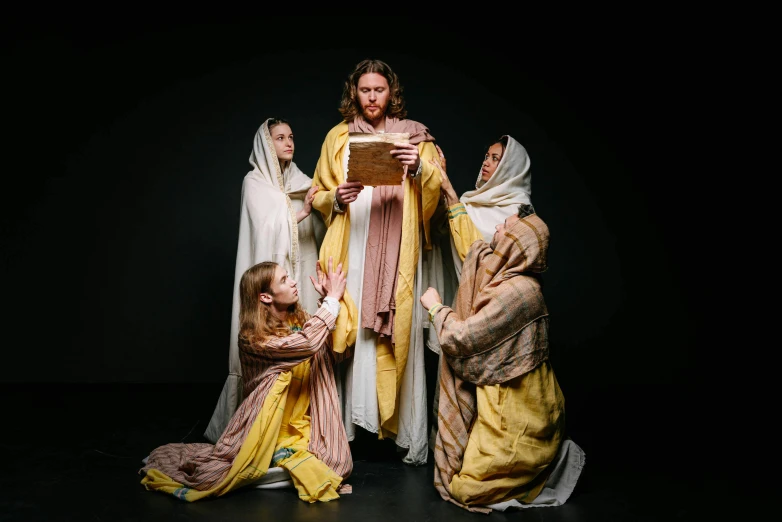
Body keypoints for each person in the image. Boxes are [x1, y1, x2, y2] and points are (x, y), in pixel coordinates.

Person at [310, 59, 442, 465]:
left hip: (398, 251)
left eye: (379, 90)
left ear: (391, 93)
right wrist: (337, 198)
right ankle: (349, 428)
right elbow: (317, 192)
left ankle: (400, 430)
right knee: (355, 330)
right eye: (364, 90)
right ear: (355, 93)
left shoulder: (414, 136)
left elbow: (438, 189)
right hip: (356, 239)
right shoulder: (337, 137)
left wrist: (418, 166)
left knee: (394, 330)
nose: (371, 97)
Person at [140, 258, 353, 503]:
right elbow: (305, 344)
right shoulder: (253, 339)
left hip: (302, 424)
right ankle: (263, 464)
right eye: (284, 279)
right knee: (218, 474)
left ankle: (272, 469)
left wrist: (325, 300)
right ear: (265, 297)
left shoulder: (299, 321)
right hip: (268, 428)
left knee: (337, 463)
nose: (293, 282)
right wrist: (332, 301)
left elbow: (336, 351)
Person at [419, 203, 585, 513]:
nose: (496, 229)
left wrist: (436, 308)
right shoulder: (503, 280)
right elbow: (475, 252)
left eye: (504, 226)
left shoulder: (520, 292)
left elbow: (463, 338)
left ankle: (545, 465)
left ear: (516, 241)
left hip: (522, 407)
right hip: (502, 400)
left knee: (467, 489)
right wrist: (449, 195)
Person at [204, 117, 325, 443]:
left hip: (296, 272)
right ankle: (257, 424)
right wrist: (299, 213)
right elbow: (264, 230)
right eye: (279, 138)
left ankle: (303, 424)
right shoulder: (254, 182)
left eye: (291, 137)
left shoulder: (302, 181)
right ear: (265, 144)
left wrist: (313, 207)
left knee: (300, 340)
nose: (288, 143)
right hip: (271, 278)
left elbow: (317, 219)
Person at [434, 135, 534, 279]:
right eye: (487, 156)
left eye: (495, 158)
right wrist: (442, 188)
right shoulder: (471, 200)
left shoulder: (519, 212)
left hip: (493, 294)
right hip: (463, 287)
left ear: (510, 167)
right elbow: (443, 228)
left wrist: (449, 190)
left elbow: (484, 257)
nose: (486, 162)